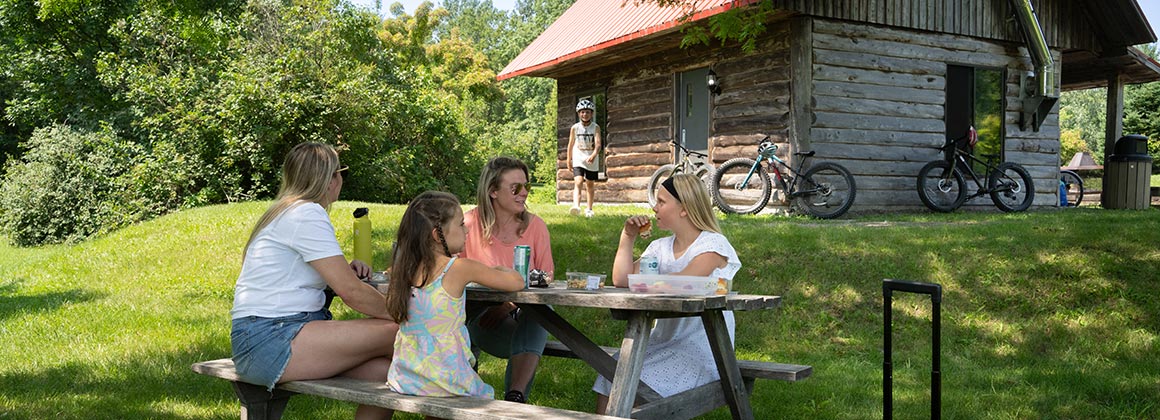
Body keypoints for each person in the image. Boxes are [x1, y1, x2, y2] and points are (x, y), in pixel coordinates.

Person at [230, 142, 398, 420]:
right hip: (273, 338)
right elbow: (352, 293)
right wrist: (407, 315)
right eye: (339, 172)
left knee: (387, 373)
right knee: (402, 334)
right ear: (331, 179)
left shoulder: (285, 211)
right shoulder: (306, 213)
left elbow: (303, 274)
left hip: (261, 339)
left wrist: (345, 268)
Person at [594, 173, 742, 414]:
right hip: (661, 343)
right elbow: (621, 280)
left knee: (635, 384)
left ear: (683, 208)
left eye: (661, 202)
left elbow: (683, 282)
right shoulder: (660, 248)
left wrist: (642, 282)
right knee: (612, 373)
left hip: (703, 349)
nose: (654, 208)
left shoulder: (714, 245)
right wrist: (628, 236)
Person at [385, 191, 526, 398]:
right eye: (461, 224)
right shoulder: (460, 268)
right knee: (484, 398)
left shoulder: (402, 270)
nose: (467, 229)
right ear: (437, 234)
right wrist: (501, 269)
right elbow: (517, 282)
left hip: (407, 379)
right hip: (449, 380)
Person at [461, 157, 554, 403]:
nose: (524, 193)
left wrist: (508, 305)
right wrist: (495, 305)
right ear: (492, 191)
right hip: (476, 320)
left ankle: (515, 398)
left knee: (543, 312)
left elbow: (546, 276)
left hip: (522, 317)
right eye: (515, 188)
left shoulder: (536, 226)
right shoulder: (467, 224)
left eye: (527, 187)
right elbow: (449, 271)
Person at [567, 98, 602, 217]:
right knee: (578, 181)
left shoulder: (595, 127)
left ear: (591, 113)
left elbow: (598, 144)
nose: (585, 114)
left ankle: (589, 209)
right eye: (582, 112)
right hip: (578, 158)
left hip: (591, 159)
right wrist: (568, 159)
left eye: (587, 112)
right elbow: (570, 144)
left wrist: (593, 155)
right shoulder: (575, 128)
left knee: (590, 184)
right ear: (578, 114)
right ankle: (576, 206)